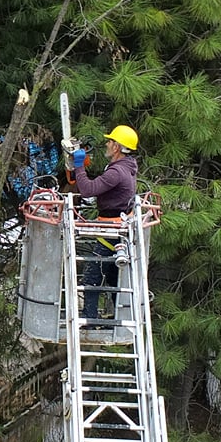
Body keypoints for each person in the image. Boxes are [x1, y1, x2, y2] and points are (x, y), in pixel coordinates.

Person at [71, 126, 139, 324]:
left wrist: (79, 166)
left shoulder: (117, 172)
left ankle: (90, 320)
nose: (107, 144)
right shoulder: (126, 167)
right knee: (112, 277)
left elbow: (87, 190)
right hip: (115, 229)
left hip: (111, 232)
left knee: (92, 277)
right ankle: (121, 318)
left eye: (110, 141)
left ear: (117, 146)